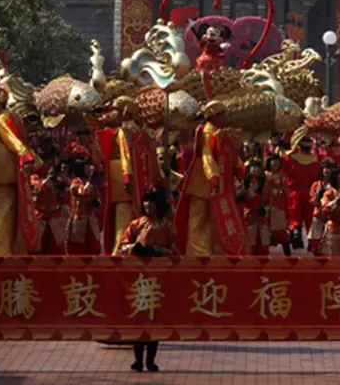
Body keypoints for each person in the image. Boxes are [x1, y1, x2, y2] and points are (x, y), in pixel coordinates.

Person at [0, 83, 41, 256]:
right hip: (7, 178)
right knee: (10, 217)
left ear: (0, 102)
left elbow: (13, 140)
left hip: (5, 179)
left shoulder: (2, 119)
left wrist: (25, 156)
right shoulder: (7, 117)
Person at [174, 101, 245, 256]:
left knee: (213, 220)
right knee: (198, 220)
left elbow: (231, 156)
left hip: (218, 184)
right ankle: (197, 253)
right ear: (214, 115)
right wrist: (212, 176)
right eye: (222, 114)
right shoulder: (206, 132)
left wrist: (241, 171)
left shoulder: (222, 134)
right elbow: (206, 155)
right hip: (202, 182)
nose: (224, 118)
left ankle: (212, 252)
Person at [118, 187, 176, 373]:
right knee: (138, 319)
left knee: (153, 320)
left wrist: (159, 251)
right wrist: (134, 248)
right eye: (146, 201)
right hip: (138, 278)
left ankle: (151, 360)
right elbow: (122, 246)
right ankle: (137, 360)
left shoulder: (167, 227)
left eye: (152, 202)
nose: (148, 205)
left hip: (158, 279)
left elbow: (175, 251)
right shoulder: (136, 224)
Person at [99, 97, 166, 255]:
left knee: (123, 225)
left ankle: (118, 257)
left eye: (115, 110)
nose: (111, 114)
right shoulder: (140, 133)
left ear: (124, 111)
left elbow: (126, 156)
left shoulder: (126, 131)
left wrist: (127, 178)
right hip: (139, 183)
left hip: (125, 187)